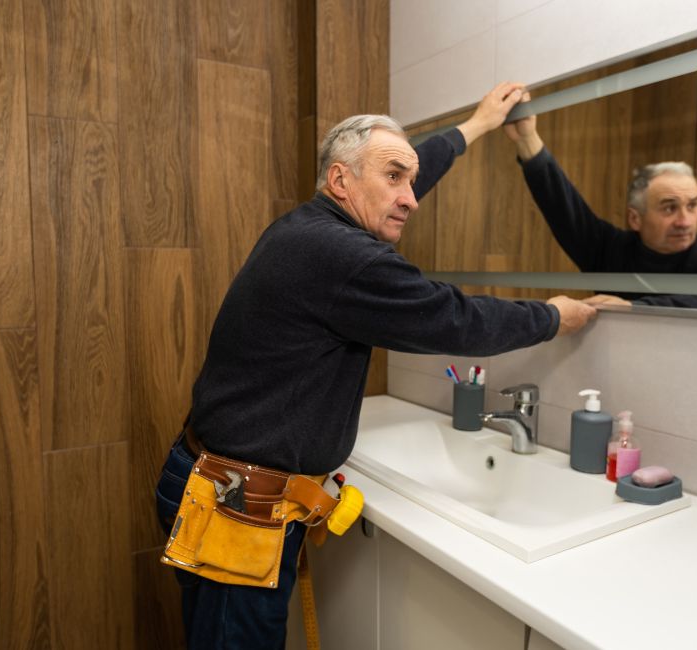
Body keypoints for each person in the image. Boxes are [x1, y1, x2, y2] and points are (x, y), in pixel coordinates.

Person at [155, 83, 596, 649]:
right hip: (238, 509)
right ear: (341, 181)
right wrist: (552, 317)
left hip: (221, 487)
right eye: (394, 178)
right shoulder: (345, 258)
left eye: (411, 180)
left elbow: (408, 176)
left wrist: (478, 126)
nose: (410, 197)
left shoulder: (311, 229)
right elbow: (454, 320)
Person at [504, 92, 697, 310]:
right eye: (669, 208)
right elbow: (562, 206)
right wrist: (527, 139)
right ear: (635, 218)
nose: (684, 221)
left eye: (692, 205)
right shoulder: (611, 251)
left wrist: (631, 307)